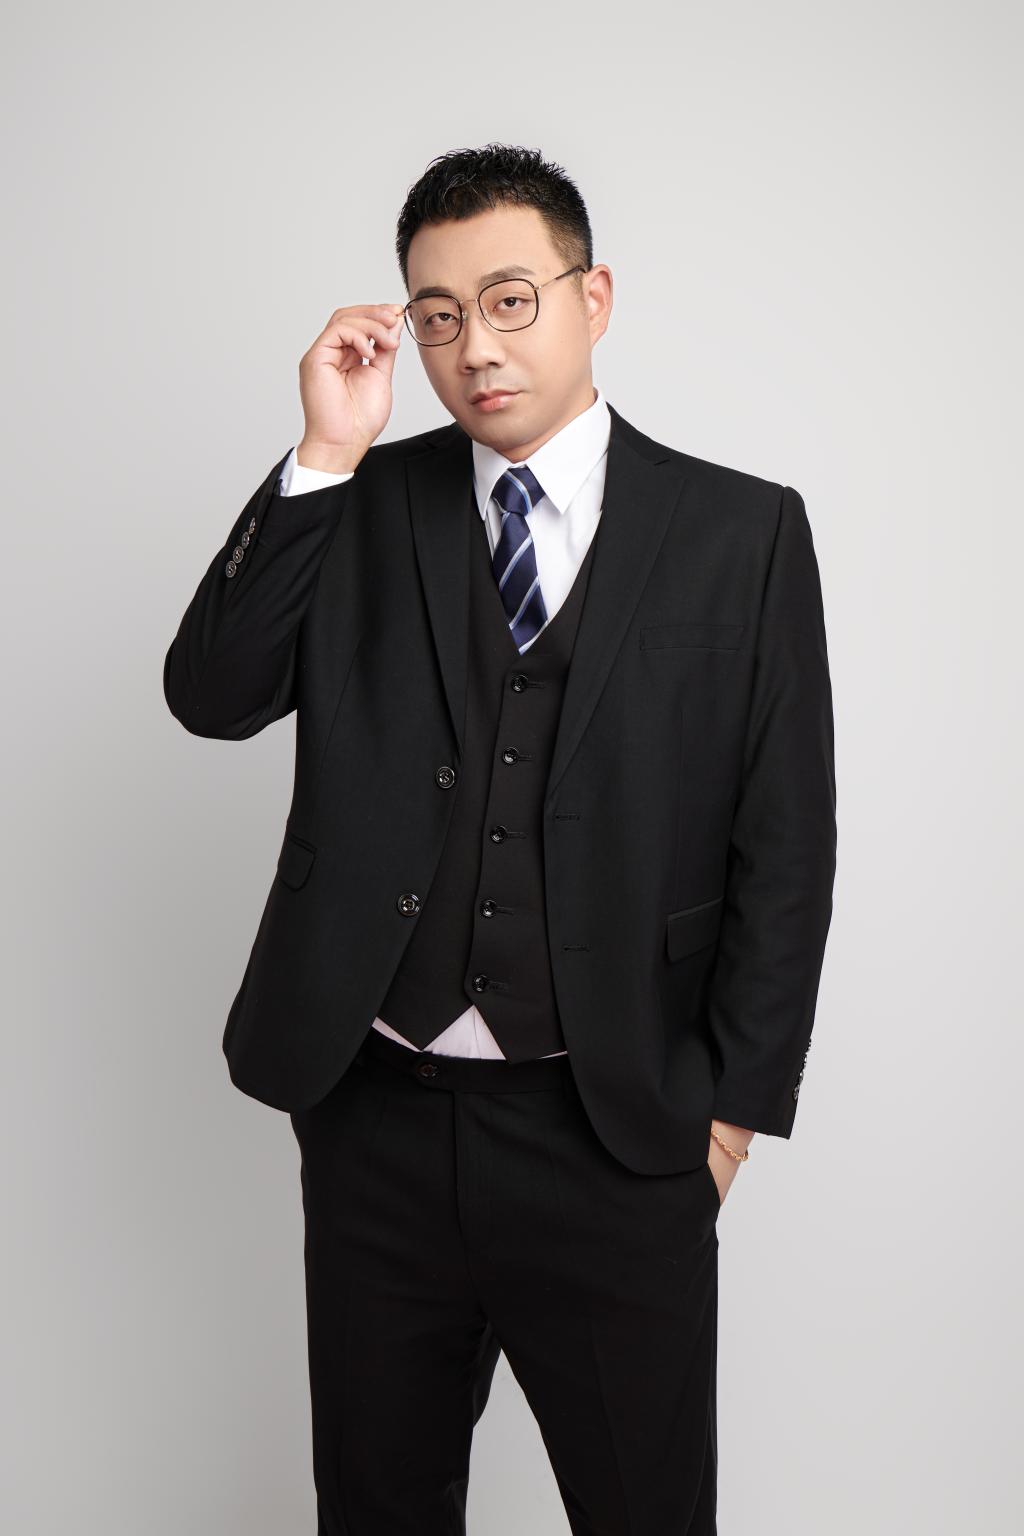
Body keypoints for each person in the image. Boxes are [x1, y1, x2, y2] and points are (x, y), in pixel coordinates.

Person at [163, 142, 837, 1535]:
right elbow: (212, 695)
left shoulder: (744, 532)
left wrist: (728, 1122)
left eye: (511, 299)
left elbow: (787, 844)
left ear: (596, 297)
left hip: (618, 1127)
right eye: (438, 314)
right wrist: (324, 452)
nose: (475, 346)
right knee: (378, 1507)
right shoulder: (359, 504)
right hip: (378, 1116)